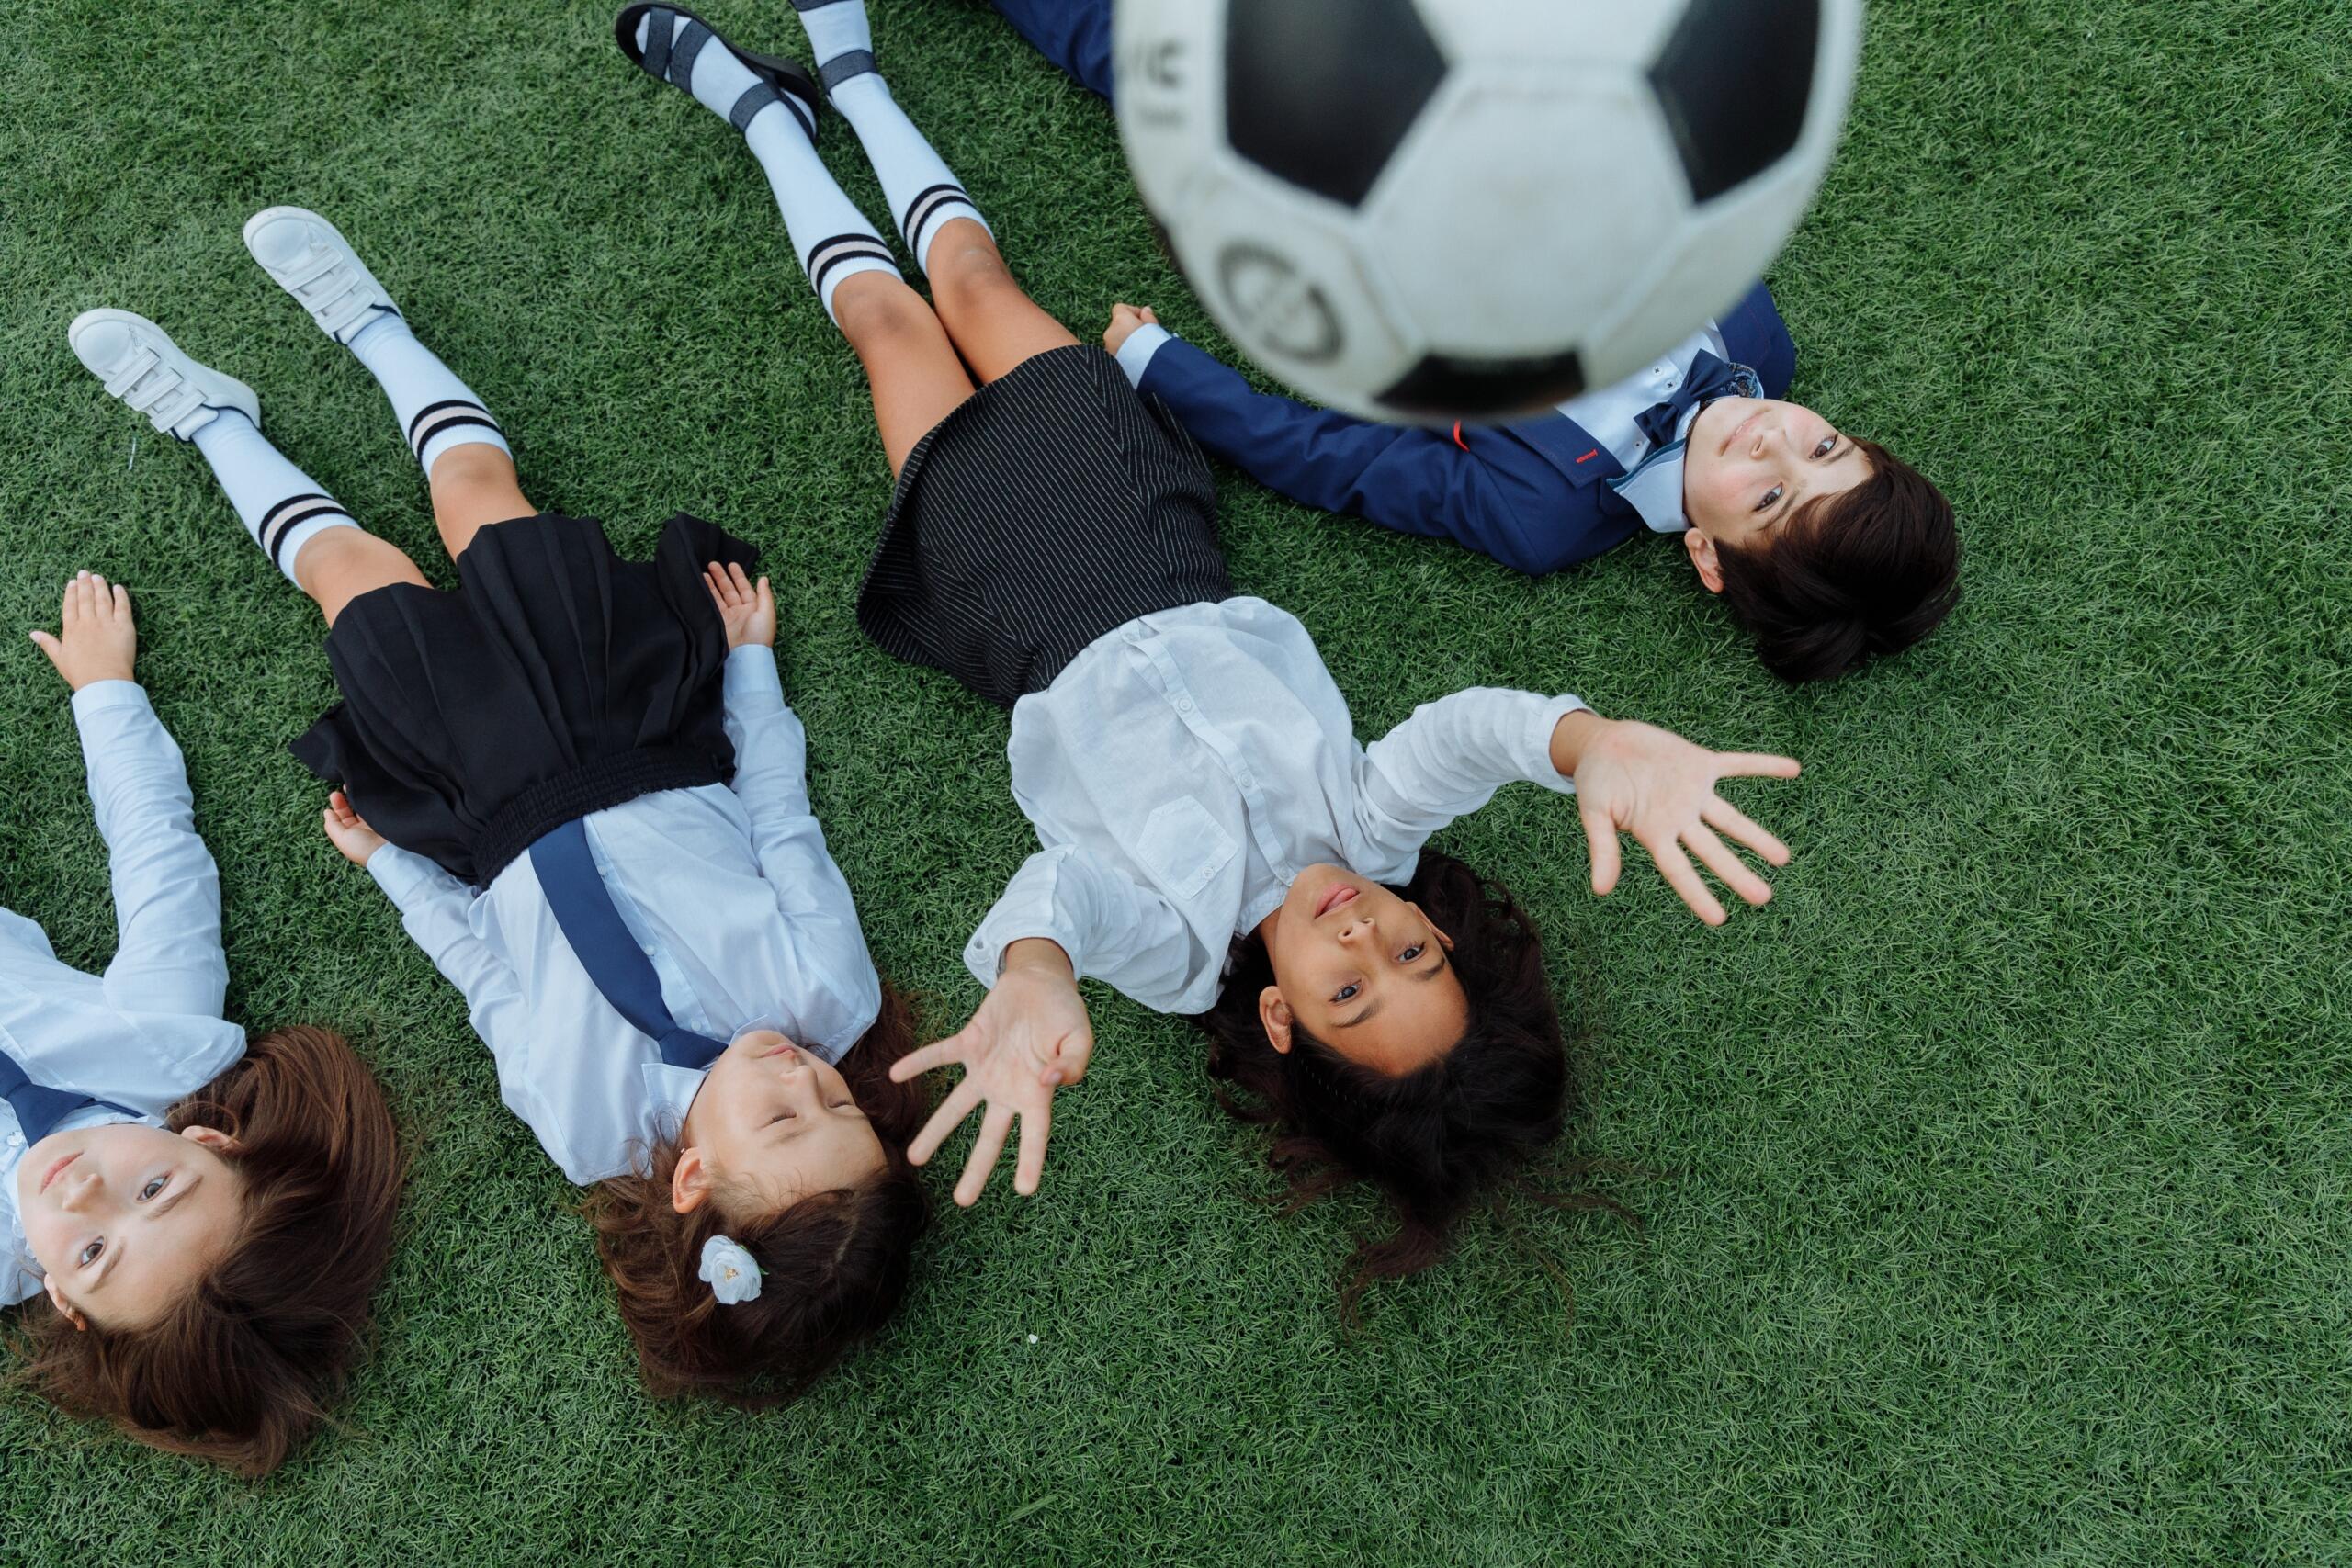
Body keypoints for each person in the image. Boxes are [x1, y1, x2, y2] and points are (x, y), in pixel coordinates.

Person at [620, 0, 1797, 1299]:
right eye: (1411, 952)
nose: (1366, 937)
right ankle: (851, 75)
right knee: (976, 283)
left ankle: (762, 116)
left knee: (891, 330)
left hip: (1016, 592)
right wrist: (1591, 741)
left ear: (1285, 1022)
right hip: (1144, 520)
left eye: (1349, 991)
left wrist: (1029, 976)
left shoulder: (1177, 954)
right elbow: (1468, 733)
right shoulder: (1372, 830)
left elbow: (1056, 899)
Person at [66, 207, 923, 1406]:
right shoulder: (830, 995)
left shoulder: (586, 1121)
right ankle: (367, 322)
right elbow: (783, 823)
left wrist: (391, 865)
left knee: (353, 580)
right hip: (624, 729)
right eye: (838, 1098)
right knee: (480, 493)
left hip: (484, 805)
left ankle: (212, 418)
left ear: (693, 1184)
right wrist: (748, 667)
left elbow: (489, 976)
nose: (803, 1074)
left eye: (787, 1118)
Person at [988, 0, 1961, 683]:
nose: (1773, 440)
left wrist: (1166, 371)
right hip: (1483, 91)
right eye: (1825, 445)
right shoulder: (1758, 334)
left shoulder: (1545, 511)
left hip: (1334, 191)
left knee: (1151, 56)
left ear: (1709, 556)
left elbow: (1338, 462)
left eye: (1772, 496)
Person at [6, 573, 401, 1473]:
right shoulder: (168, 1033)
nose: (83, 1193)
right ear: (214, 1143)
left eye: (97, 1252)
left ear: (66, 1300)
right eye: (155, 1190)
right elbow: (156, 852)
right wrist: (106, 690)